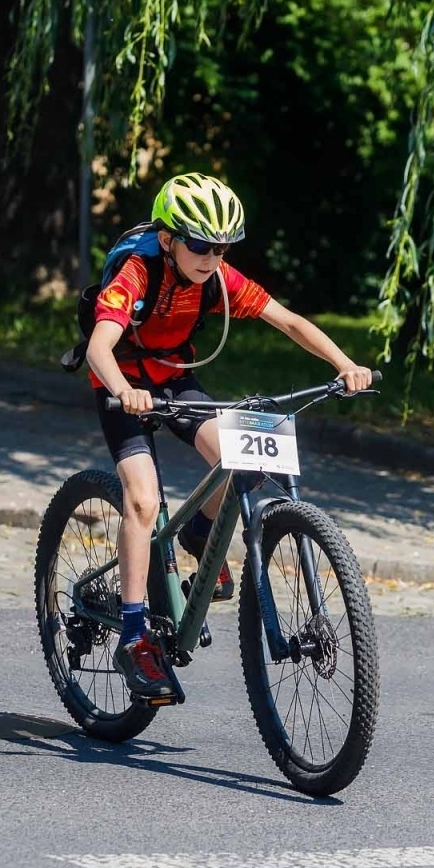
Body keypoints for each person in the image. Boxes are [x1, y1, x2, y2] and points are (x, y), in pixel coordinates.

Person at [83, 172, 373, 700]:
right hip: (121, 382)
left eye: (221, 247)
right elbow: (98, 347)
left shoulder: (217, 278)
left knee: (241, 457)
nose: (212, 257)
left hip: (175, 379)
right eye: (200, 245)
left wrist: (344, 364)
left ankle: (198, 537)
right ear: (169, 241)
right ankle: (132, 634)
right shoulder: (138, 272)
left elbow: (287, 321)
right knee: (144, 502)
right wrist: (125, 388)